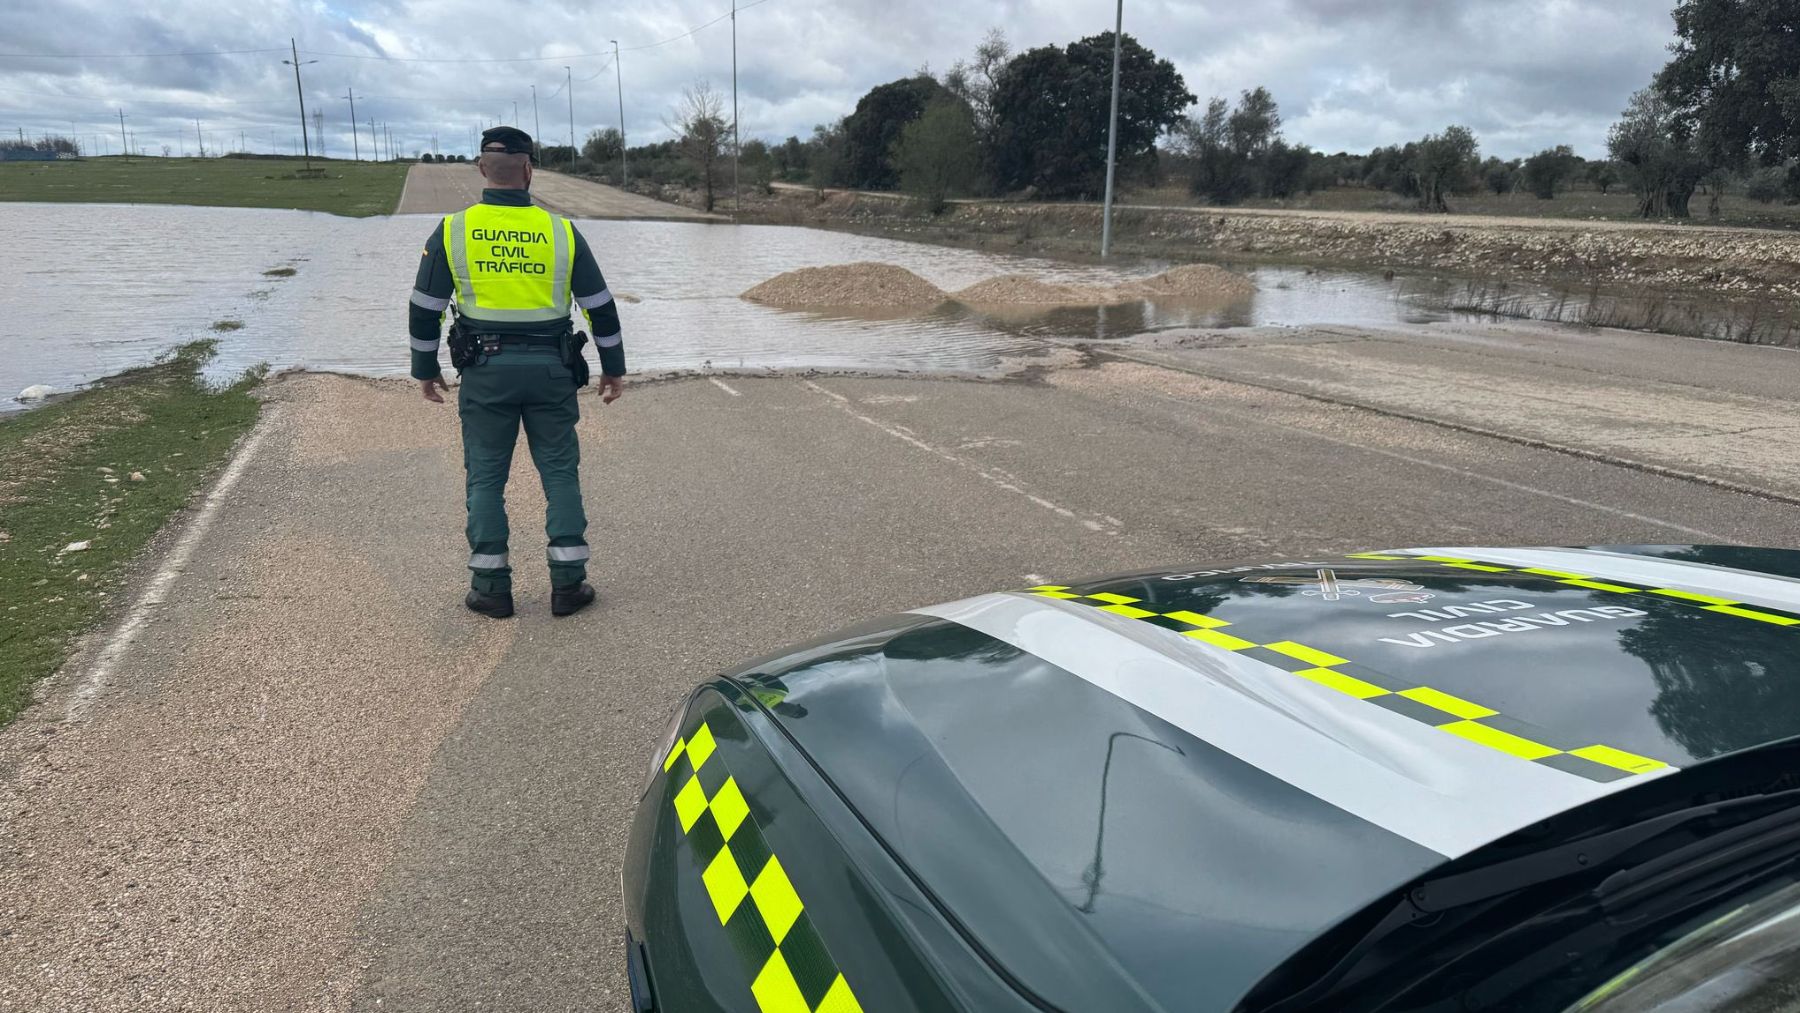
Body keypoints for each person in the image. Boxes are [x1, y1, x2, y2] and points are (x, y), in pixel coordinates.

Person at [407, 125, 625, 619]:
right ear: (529, 170)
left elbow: (425, 309)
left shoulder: (452, 230)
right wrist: (613, 368)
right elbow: (601, 309)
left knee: (485, 479)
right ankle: (568, 585)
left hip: (485, 374)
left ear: (482, 168)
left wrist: (425, 367)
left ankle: (491, 589)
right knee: (559, 473)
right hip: (552, 371)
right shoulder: (563, 231)